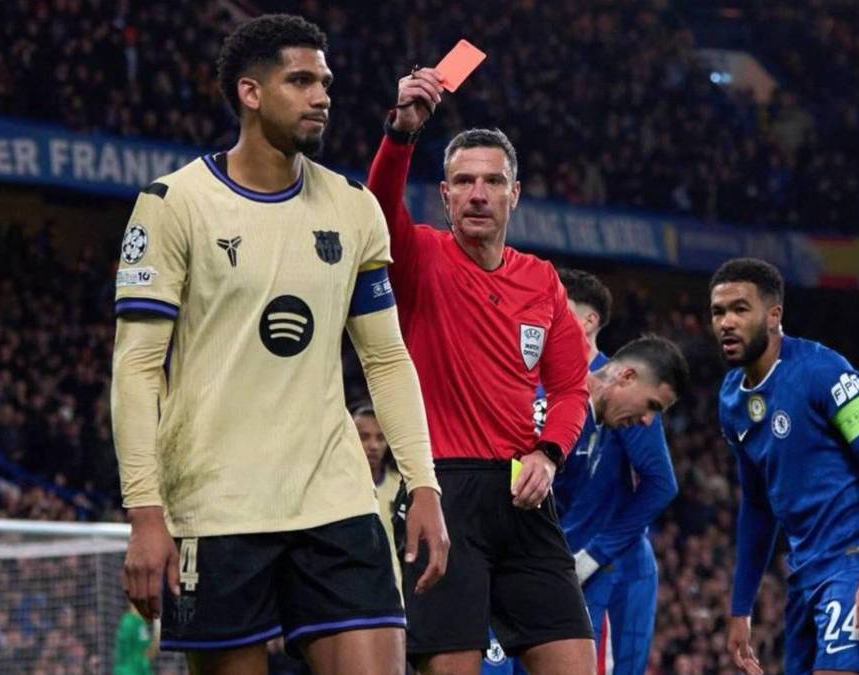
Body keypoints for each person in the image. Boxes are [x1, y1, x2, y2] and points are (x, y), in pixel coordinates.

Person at [110, 15, 447, 675]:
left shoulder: (353, 207)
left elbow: (385, 358)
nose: (321, 96)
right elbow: (136, 368)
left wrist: (423, 482)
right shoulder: (174, 203)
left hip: (335, 498)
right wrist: (144, 510)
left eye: (325, 82)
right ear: (250, 92)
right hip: (215, 502)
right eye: (300, 81)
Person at [366, 67, 594, 675]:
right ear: (444, 195)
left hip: (523, 493)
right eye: (464, 181)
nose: (478, 194)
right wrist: (401, 134)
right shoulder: (419, 255)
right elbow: (378, 208)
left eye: (492, 181)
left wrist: (549, 453)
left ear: (514, 194)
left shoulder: (541, 279)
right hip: (442, 488)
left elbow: (570, 387)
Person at [709, 258, 859, 675]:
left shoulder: (822, 370)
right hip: (807, 569)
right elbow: (757, 506)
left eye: (740, 309)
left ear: (774, 315)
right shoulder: (731, 400)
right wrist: (741, 608)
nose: (726, 323)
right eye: (718, 312)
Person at [548, 270, 681, 675]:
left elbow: (661, 483)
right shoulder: (545, 382)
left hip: (606, 570)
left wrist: (597, 552)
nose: (545, 315)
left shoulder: (622, 392)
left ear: (589, 321)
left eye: (557, 307)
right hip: (557, 564)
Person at [352, 401, 406, 591]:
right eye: (364, 437)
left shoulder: (402, 487)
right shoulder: (334, 486)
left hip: (395, 588)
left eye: (381, 438)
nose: (373, 446)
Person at [113, 605, 155, 675]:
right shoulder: (128, 622)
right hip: (128, 671)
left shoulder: (141, 623)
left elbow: (147, 653)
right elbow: (123, 652)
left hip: (141, 670)